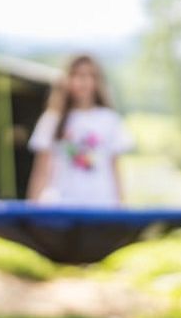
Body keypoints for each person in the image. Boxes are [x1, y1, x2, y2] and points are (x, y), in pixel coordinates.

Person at [27, 55, 134, 206]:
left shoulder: (109, 119)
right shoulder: (52, 120)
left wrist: (121, 206)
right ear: (66, 80)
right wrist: (32, 211)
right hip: (62, 206)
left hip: (102, 205)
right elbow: (41, 171)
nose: (83, 81)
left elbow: (115, 169)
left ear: (97, 81)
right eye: (77, 75)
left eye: (90, 75)